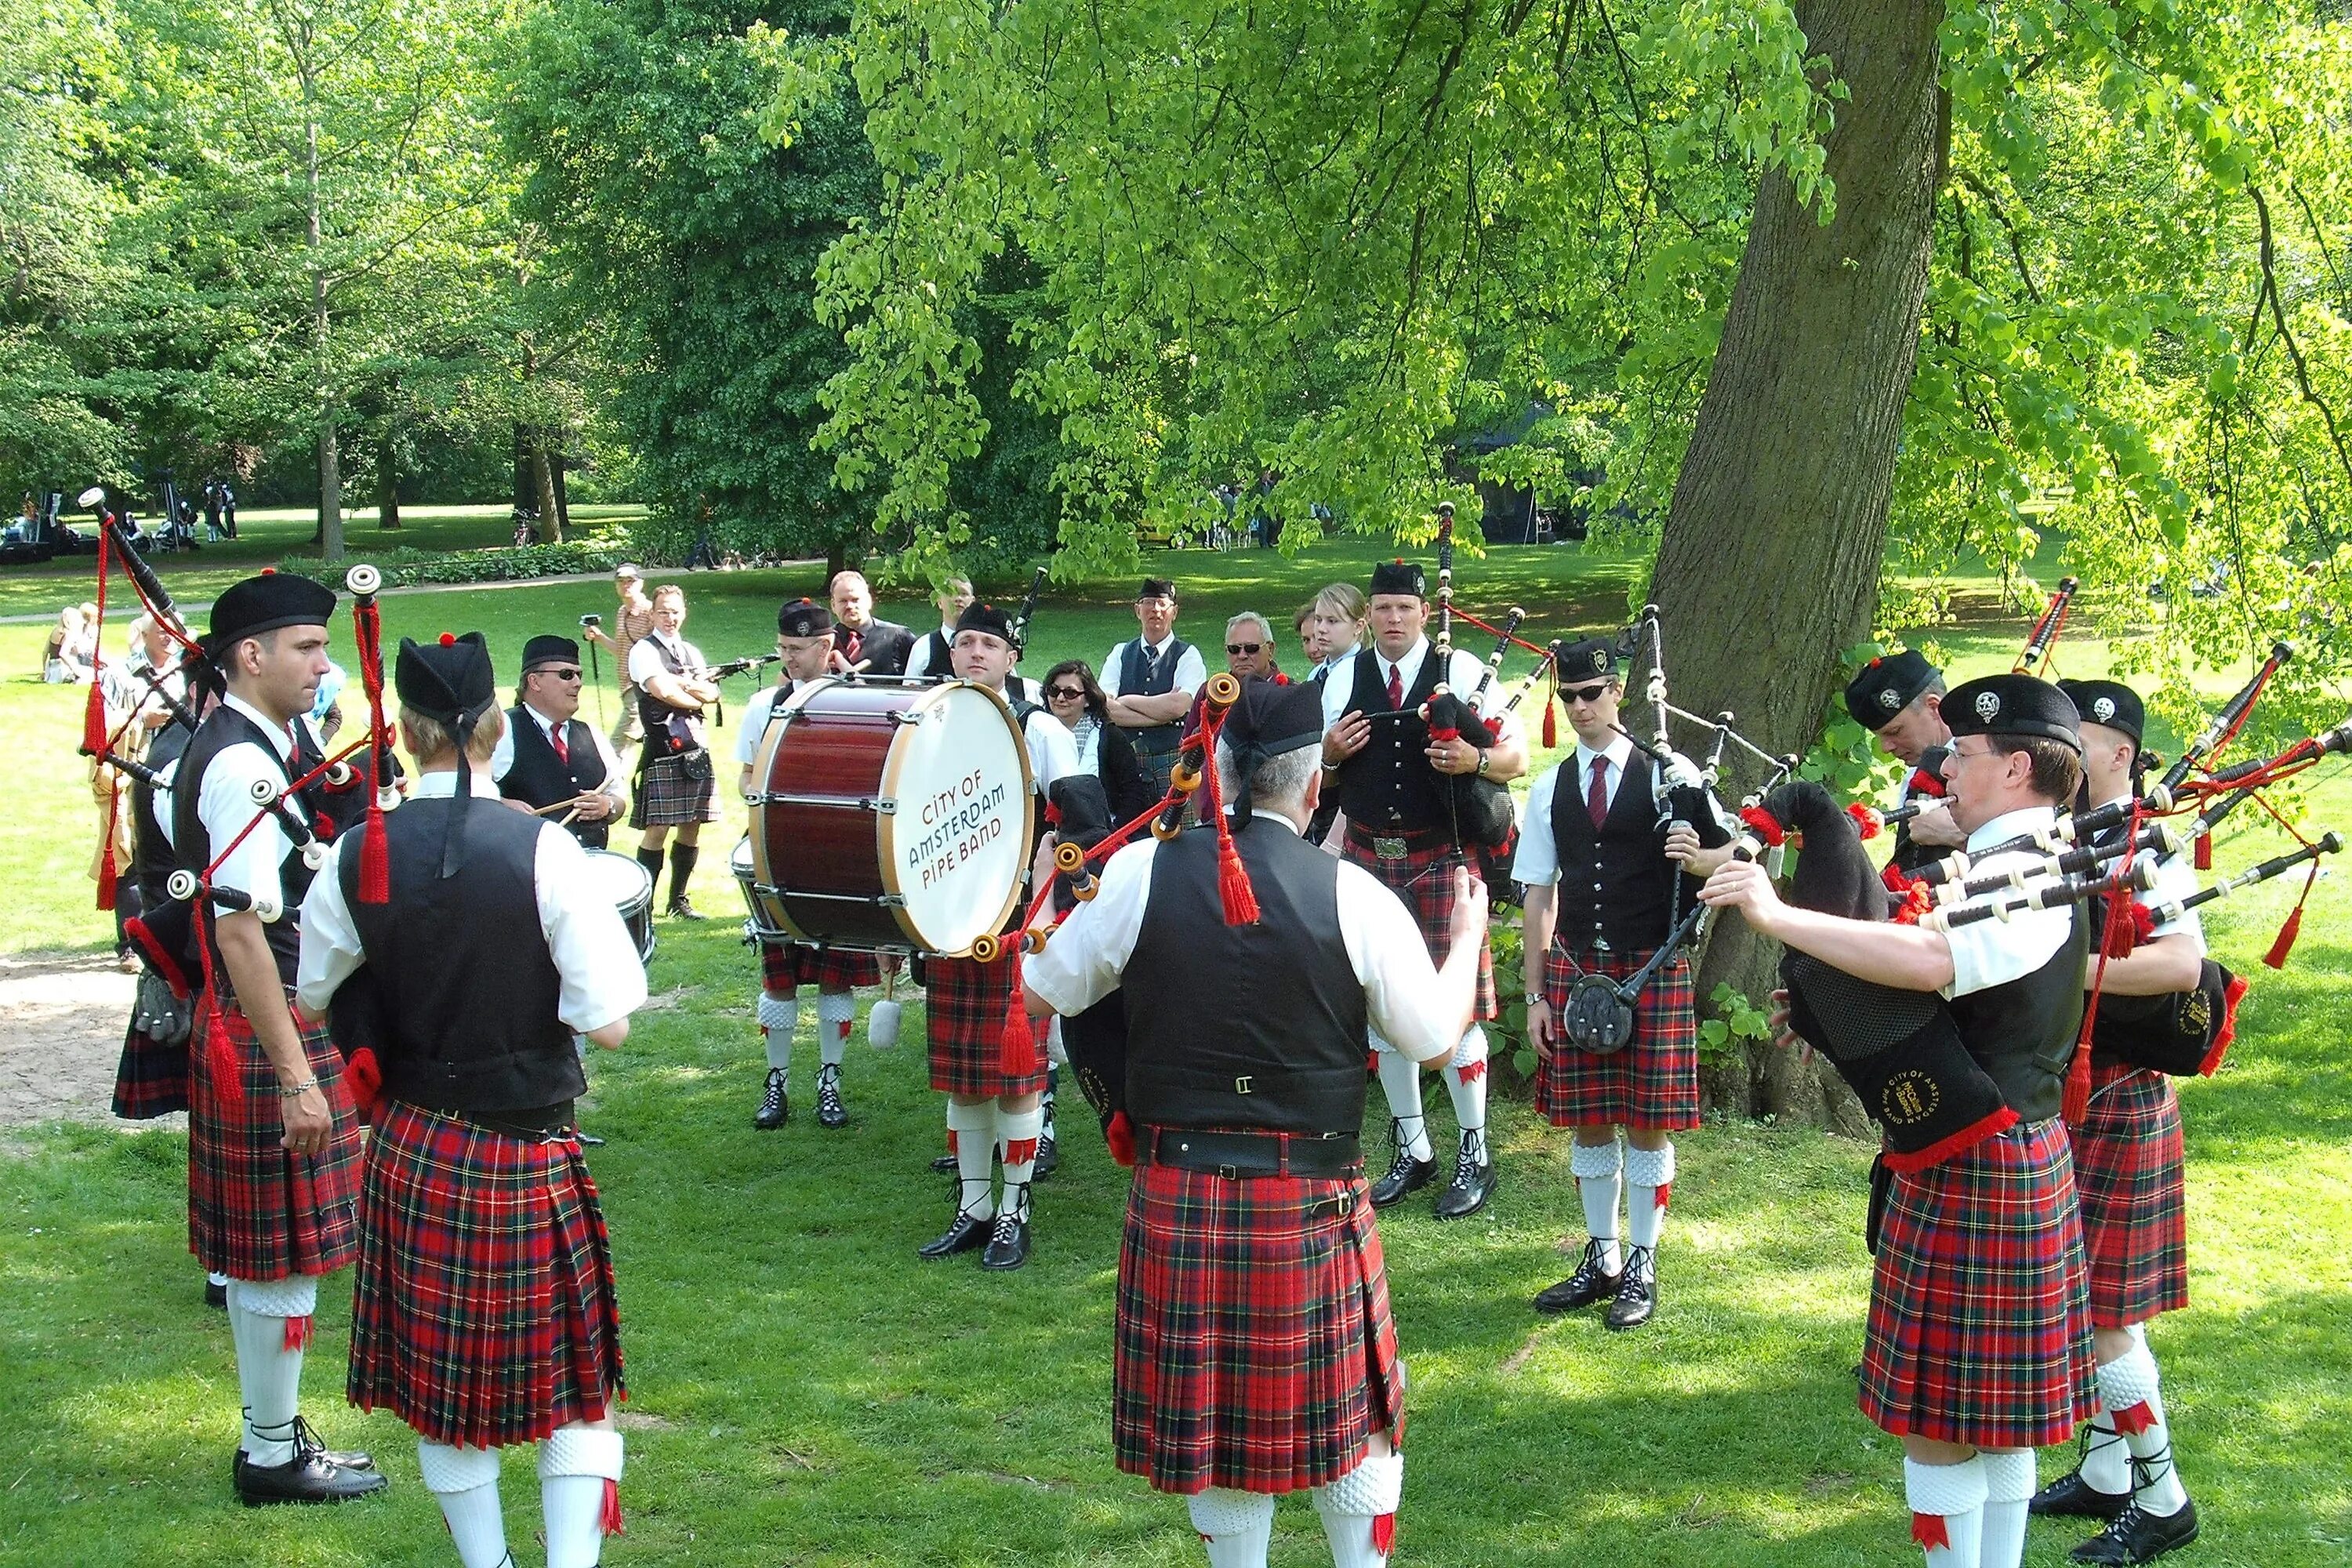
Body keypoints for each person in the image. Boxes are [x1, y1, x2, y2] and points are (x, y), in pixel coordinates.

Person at [1023, 678, 1489, 1568]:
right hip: (1309, 1203)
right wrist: (1466, 935)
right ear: (1316, 785)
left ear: (1220, 772)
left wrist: (1060, 886)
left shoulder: (1139, 872)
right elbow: (1433, 1038)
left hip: (1181, 1195)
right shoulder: (1354, 894)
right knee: (1359, 1428)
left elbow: (1047, 987)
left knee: (1217, 1436)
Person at [1700, 673, 2096, 1568]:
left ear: (2018, 764)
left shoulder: (2026, 863)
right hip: (1994, 1150)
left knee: (1945, 1423)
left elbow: (1931, 959)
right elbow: (1927, 974)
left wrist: (1778, 914)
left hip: (1981, 1158)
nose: (1945, 764)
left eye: (1965, 752)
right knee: (1991, 1417)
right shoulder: (2018, 853)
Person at [296, 630, 648, 1568]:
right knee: (575, 1389)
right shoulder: (544, 849)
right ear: (497, 721)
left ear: (408, 732)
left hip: (412, 1145)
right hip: (525, 1148)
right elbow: (608, 1020)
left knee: (445, 1390)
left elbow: (315, 992)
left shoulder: (354, 850)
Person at [165, 572, 386, 1506]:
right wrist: (296, 1073)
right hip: (269, 1029)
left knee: (281, 1252)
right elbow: (240, 926)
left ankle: (273, 1435)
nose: (323, 663)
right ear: (250, 655)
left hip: (264, 1023)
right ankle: (268, 1451)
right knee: (282, 1255)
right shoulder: (240, 765)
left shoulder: (259, 739)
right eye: (307, 646)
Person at [2030, 679, 2204, 1565]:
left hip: (2120, 1092)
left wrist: (2072, 968)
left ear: (2121, 755)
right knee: (2085, 1294)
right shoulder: (2059, 835)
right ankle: (2104, 1468)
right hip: (2069, 1089)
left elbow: (2181, 963)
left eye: (2080, 737)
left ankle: (2163, 1493)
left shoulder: (2150, 842)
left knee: (2105, 1312)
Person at [1516, 637, 1730, 1330]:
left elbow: (1748, 849)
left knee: (1646, 1125)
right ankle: (1602, 1254)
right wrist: (1537, 995)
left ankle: (1642, 1258)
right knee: (1588, 1122)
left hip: (1652, 967)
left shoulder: (1673, 772)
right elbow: (1539, 896)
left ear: (1617, 694)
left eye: (1592, 694)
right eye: (1569, 697)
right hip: (1578, 972)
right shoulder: (1550, 786)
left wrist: (1698, 856)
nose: (1581, 708)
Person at [1318, 558, 1526, 1221]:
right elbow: (1312, 780)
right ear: (1367, 617)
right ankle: (1413, 1147)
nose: (1393, 619)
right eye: (1381, 608)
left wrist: (1477, 759)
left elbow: (1516, 754)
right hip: (1367, 860)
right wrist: (1329, 755)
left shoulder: (1461, 670)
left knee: (1457, 1008)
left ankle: (1475, 1150)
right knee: (1382, 1007)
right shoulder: (1340, 678)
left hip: (1441, 856)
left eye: (1404, 608)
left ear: (1423, 612)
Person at [918, 601, 1078, 1272]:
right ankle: (974, 1209)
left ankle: (1015, 1212)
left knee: (1015, 1079)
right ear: (951, 654)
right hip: (950, 918)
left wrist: (1049, 897)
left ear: (1013, 657)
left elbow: (1083, 820)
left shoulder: (1041, 728)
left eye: (990, 644)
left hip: (1018, 921)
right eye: (965, 643)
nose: (976, 653)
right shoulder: (927, 723)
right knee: (964, 1082)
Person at [738, 598, 882, 1131]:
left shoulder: (859, 703)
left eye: (797, 649)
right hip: (779, 858)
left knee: (833, 979)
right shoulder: (763, 705)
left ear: (827, 646)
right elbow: (746, 777)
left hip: (837, 857)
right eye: (782, 648)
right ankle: (775, 1081)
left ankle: (830, 1081)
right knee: (779, 979)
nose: (787, 658)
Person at [626, 584, 720, 919]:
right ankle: (644, 905)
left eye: (675, 611)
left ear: (684, 613)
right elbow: (661, 689)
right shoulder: (643, 650)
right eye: (663, 611)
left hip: (695, 748)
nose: (670, 618)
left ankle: (678, 900)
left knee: (693, 824)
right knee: (659, 828)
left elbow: (715, 689)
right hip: (663, 748)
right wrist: (696, 695)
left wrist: (691, 688)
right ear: (652, 613)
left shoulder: (692, 652)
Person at [492, 635, 627, 850]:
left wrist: (607, 806)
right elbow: (464, 793)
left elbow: (618, 797)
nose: (578, 683)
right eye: (567, 675)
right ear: (534, 681)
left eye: (579, 675)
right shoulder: (502, 730)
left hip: (588, 867)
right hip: (526, 869)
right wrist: (501, 806)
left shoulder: (591, 734)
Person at [1845, 650, 1965, 879]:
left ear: (1934, 707)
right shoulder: (1914, 775)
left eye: (1895, 731)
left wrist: (1956, 836)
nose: (1885, 748)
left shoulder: (1992, 760)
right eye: (1879, 736)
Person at [1103, 578, 1207, 793]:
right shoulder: (1120, 653)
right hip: (1124, 761)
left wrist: (1126, 700)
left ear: (1174, 612)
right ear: (1137, 610)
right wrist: (1162, 714)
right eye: (1148, 603)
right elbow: (1104, 707)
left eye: (1162, 604)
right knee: (1125, 826)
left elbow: (1179, 706)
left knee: (1175, 827)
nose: (1155, 610)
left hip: (1173, 762)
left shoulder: (1188, 655)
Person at [1040, 659, 1158, 826]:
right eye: (1053, 690)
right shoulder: (1037, 733)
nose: (1060, 698)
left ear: (1088, 699)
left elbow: (1133, 791)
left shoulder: (1109, 736)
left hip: (1105, 834)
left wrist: (1114, 832)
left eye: (1070, 693)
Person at [582, 565, 655, 752]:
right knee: (634, 745)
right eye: (621, 581)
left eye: (631, 581)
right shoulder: (622, 612)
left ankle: (609, 778)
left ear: (641, 583)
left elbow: (659, 651)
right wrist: (598, 637)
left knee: (616, 747)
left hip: (642, 688)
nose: (626, 585)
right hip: (626, 685)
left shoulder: (650, 612)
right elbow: (622, 650)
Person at [827, 569, 915, 677]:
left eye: (855, 600)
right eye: (843, 601)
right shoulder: (825, 642)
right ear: (833, 605)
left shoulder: (898, 637)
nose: (849, 606)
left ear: (869, 601)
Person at [903, 575, 976, 682]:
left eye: (964, 594)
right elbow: (910, 694)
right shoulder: (923, 647)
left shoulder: (983, 648)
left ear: (972, 602)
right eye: (951, 593)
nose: (958, 598)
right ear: (939, 602)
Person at [1294, 583, 1369, 681]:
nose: (1321, 629)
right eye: (1318, 619)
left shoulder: (1367, 673)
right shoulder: (1316, 674)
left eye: (1332, 621)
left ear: (1358, 626)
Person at [1221, 612, 1282, 683]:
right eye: (1234, 649)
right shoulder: (1210, 692)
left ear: (1270, 649)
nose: (1242, 656)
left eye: (1251, 648)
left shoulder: (1290, 692)